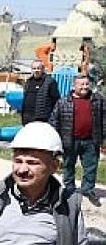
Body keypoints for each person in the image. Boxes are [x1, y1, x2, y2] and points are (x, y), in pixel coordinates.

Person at [50, 75, 104, 205]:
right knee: (68, 166)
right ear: (74, 86)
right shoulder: (63, 102)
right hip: (70, 141)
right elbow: (54, 121)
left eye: (87, 84)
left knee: (91, 167)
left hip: (91, 140)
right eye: (81, 84)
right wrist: (56, 140)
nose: (85, 87)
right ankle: (69, 189)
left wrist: (103, 138)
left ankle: (88, 190)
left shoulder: (98, 100)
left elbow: (104, 120)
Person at [21, 60, 59, 124]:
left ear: (43, 69)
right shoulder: (28, 81)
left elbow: (56, 100)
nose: (36, 70)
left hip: (42, 119)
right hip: (27, 117)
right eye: (34, 68)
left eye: (38, 68)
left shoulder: (50, 82)